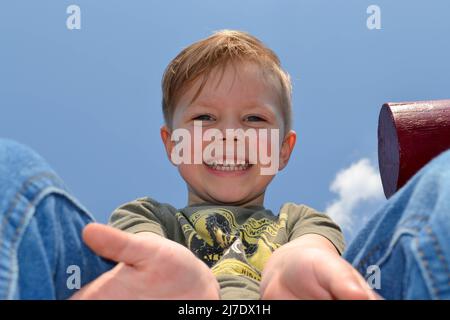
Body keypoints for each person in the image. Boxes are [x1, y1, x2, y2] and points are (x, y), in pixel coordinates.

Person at [0, 30, 449, 300]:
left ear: (285, 148)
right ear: (173, 144)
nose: (228, 137)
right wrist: (175, 276)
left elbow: (308, 249)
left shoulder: (299, 220)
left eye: (254, 119)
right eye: (204, 119)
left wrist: (291, 271)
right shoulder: (147, 215)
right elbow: (148, 249)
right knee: (11, 169)